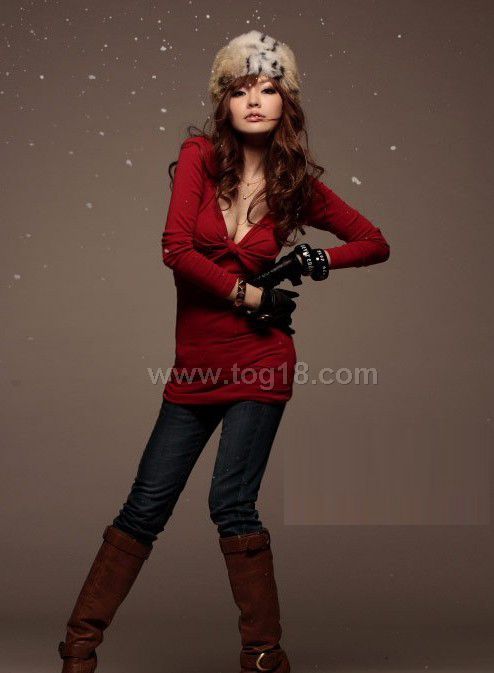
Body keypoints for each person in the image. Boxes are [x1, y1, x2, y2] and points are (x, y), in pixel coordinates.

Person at [57, 29, 391, 673]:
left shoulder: (296, 187)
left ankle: (264, 655)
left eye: (268, 89)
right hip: (197, 364)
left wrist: (318, 259)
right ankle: (77, 649)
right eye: (241, 90)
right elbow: (176, 250)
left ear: (286, 101)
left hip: (262, 361)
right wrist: (250, 294)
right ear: (224, 102)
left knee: (231, 504)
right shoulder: (199, 158)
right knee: (145, 506)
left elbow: (375, 242)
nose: (255, 101)